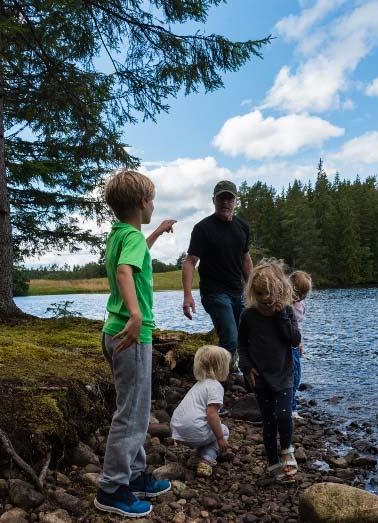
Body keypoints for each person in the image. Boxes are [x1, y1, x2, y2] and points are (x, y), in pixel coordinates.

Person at [94, 169, 176, 518]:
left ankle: (136, 475)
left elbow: (135, 256)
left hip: (114, 332)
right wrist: (135, 314)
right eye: (152, 200)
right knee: (131, 414)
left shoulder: (120, 234)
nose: (153, 206)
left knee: (137, 410)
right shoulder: (129, 238)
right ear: (143, 203)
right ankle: (112, 488)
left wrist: (155, 233)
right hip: (131, 336)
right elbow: (126, 271)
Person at [238, 260, 301, 482]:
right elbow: (242, 344)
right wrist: (245, 367)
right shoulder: (248, 315)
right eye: (261, 293)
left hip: (283, 374)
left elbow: (294, 340)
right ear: (254, 292)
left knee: (284, 415)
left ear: (280, 290)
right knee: (268, 422)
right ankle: (273, 461)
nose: (266, 298)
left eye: (270, 293)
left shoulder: (286, 312)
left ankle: (286, 450)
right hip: (260, 378)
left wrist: (282, 314)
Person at [182, 180, 252, 373]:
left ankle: (237, 372)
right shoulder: (202, 228)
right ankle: (220, 381)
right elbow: (190, 262)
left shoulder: (243, 227)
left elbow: (246, 258)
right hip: (214, 293)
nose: (225, 203)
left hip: (238, 292)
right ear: (213, 200)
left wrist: (254, 288)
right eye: (221, 198)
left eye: (229, 198)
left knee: (245, 335)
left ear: (236, 201)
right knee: (230, 336)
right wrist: (187, 295)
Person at [170, 345, 231, 477]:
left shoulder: (199, 385)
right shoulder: (215, 386)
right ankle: (207, 459)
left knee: (206, 426)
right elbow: (211, 414)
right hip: (195, 431)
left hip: (178, 430)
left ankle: (197, 454)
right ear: (221, 367)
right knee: (224, 430)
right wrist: (220, 438)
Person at [289, 270, 312, 421]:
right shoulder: (285, 305)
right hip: (287, 346)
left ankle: (289, 403)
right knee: (293, 376)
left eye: (305, 294)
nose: (302, 297)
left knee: (296, 376)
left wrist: (301, 342)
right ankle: (291, 408)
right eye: (300, 293)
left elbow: (299, 327)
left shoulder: (300, 304)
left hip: (295, 344)